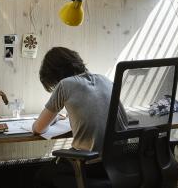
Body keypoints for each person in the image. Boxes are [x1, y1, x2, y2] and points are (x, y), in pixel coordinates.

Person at [33, 47, 127, 187]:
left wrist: (56, 118)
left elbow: (38, 129)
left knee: (42, 176)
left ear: (54, 74)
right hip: (121, 163)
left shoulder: (65, 85)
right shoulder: (105, 79)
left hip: (91, 165)